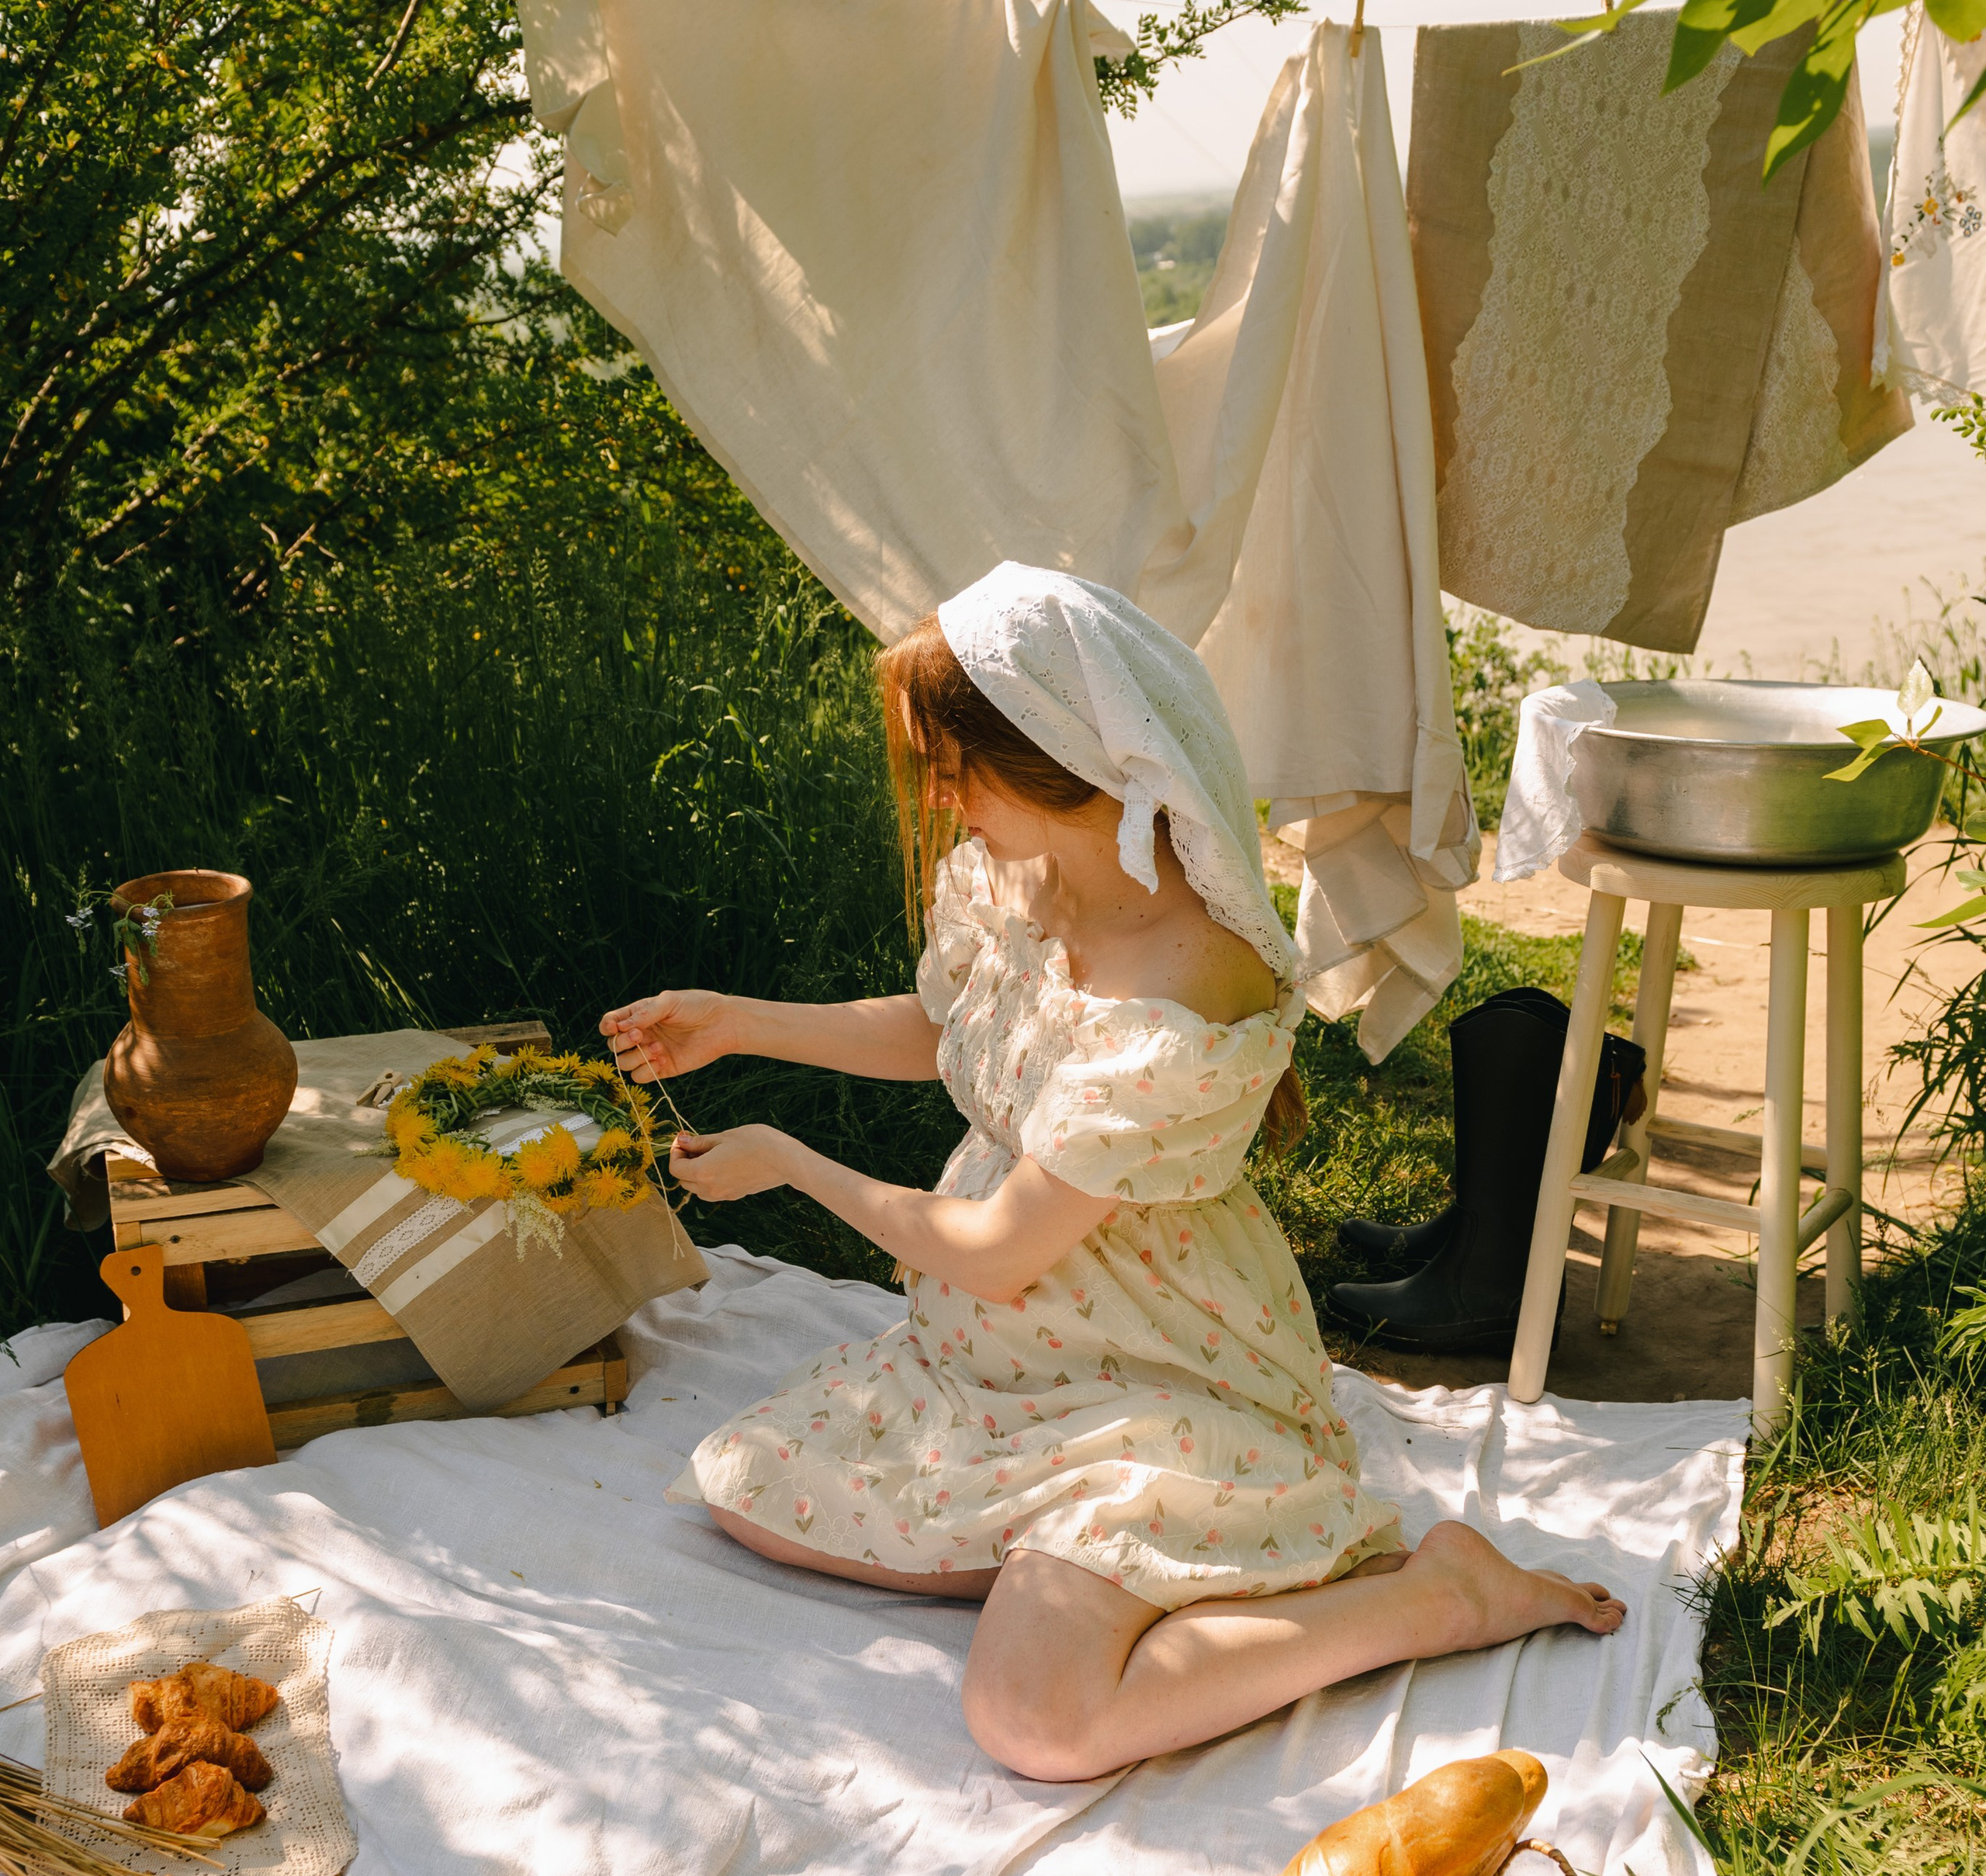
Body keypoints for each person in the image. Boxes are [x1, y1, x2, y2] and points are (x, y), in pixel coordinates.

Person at [602, 564, 1621, 1783]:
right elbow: (957, 1032)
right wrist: (738, 1021)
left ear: (1048, 753)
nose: (936, 796)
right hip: (998, 1364)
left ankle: (1435, 1597)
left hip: (1147, 1376)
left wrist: (790, 1165)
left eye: (951, 765)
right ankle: (1069, 1549)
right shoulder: (1027, 877)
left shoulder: (1181, 982)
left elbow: (1000, 1251)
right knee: (749, 1492)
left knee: (1036, 1715)